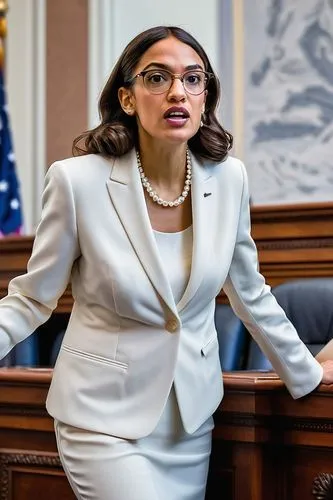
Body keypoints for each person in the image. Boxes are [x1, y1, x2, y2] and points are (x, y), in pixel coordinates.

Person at [0, 25, 333, 500]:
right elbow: (32, 299)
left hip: (189, 424)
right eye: (157, 78)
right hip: (102, 422)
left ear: (204, 97)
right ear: (128, 97)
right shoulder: (77, 183)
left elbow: (251, 294)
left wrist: (306, 371)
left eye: (193, 79)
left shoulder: (230, 179)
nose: (178, 91)